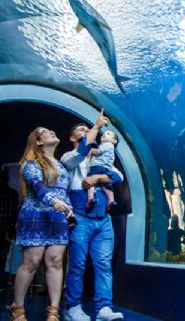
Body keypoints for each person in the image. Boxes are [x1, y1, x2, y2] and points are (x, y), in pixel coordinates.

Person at [61, 111, 124, 321]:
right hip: (81, 218)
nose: (87, 131)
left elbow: (119, 176)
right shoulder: (69, 158)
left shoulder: (102, 159)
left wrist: (97, 177)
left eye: (89, 130)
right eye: (82, 130)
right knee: (77, 265)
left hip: (103, 221)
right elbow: (81, 151)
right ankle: (73, 307)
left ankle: (104, 308)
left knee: (104, 265)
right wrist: (96, 127)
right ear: (72, 137)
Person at [8, 127, 74, 321]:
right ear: (38, 141)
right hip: (35, 216)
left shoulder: (62, 165)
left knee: (55, 261)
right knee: (32, 262)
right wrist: (55, 202)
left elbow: (64, 193)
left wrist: (69, 209)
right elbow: (38, 187)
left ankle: (53, 310)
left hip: (58, 218)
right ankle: (17, 308)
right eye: (45, 131)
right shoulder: (30, 163)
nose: (52, 131)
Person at [84, 130, 121, 211]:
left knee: (91, 181)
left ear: (114, 141)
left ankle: (90, 198)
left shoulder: (106, 144)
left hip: (97, 167)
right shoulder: (110, 148)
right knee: (107, 185)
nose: (104, 134)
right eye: (103, 134)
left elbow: (98, 151)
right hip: (106, 169)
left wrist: (90, 150)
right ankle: (111, 200)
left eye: (108, 134)